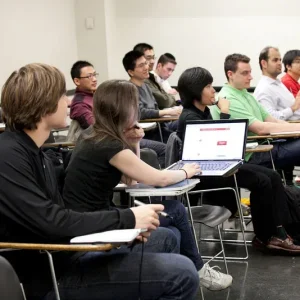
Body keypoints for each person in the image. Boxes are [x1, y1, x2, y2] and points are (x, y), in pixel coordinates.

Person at [0, 63, 200, 300]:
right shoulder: (10, 155)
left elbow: (56, 218)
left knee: (168, 239)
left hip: (68, 254)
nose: (68, 102)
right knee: (183, 272)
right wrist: (127, 219)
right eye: (62, 96)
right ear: (43, 103)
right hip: (52, 275)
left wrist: (122, 228)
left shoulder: (33, 151)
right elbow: (51, 222)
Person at [63, 79, 233, 291]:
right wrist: (185, 171)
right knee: (176, 213)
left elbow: (130, 180)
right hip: (96, 225)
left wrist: (134, 141)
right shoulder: (107, 144)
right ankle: (196, 272)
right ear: (125, 108)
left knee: (173, 228)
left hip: (95, 218)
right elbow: (157, 179)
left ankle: (183, 274)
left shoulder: (95, 135)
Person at [177, 66, 300, 253]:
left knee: (272, 177)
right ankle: (269, 235)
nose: (214, 91)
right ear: (196, 90)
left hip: (217, 165)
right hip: (205, 172)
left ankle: (277, 232)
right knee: (261, 181)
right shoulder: (189, 116)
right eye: (209, 86)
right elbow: (217, 144)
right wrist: (225, 113)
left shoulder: (202, 111)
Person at [209, 53, 300, 171]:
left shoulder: (245, 94)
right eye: (245, 73)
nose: (251, 77)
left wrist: (296, 128)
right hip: (252, 154)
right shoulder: (228, 98)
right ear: (230, 74)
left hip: (265, 145)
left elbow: (272, 120)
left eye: (250, 72)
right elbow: (261, 129)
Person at [69, 60, 166, 167]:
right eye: (89, 76)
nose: (94, 79)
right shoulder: (80, 104)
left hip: (116, 138)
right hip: (107, 144)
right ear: (77, 81)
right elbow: (97, 128)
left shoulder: (96, 95)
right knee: (162, 149)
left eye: (95, 75)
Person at [122, 50, 180, 142]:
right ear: (131, 72)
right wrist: (166, 112)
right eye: (141, 65)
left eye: (145, 63)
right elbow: (140, 113)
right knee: (168, 148)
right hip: (143, 134)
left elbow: (155, 106)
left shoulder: (145, 85)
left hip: (157, 128)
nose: (146, 67)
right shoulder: (129, 89)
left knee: (180, 139)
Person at [254, 46, 300, 121]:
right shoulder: (264, 88)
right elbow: (271, 118)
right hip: (290, 128)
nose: (279, 63)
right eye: (275, 60)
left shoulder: (278, 83)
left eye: (280, 60)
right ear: (264, 63)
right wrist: (293, 108)